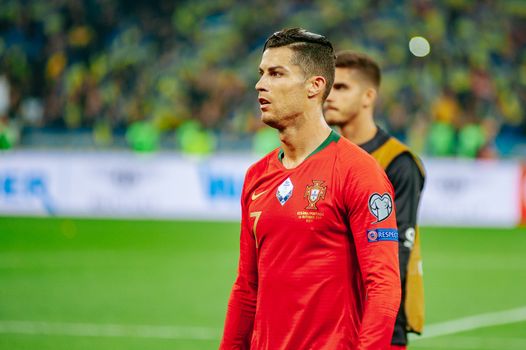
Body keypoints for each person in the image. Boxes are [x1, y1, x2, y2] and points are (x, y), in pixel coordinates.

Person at [220, 28, 401, 350]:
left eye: (276, 74)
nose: (260, 84)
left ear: (314, 86)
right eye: (261, 74)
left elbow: (384, 285)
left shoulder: (359, 172)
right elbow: (247, 288)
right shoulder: (256, 176)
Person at [324, 51, 426, 350]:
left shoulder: (397, 161)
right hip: (329, 317)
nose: (330, 96)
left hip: (378, 322)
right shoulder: (323, 156)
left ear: (368, 96)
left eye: (342, 88)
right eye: (329, 87)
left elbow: (397, 251)